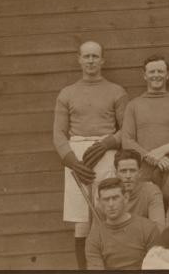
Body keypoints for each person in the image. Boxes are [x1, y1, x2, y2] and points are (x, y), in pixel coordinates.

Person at [52, 40, 128, 269]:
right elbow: (58, 133)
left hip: (105, 153)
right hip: (78, 157)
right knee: (82, 220)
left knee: (108, 210)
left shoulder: (117, 91)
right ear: (79, 59)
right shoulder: (67, 93)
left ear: (102, 60)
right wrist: (72, 161)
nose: (91, 60)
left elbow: (128, 130)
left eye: (95, 56)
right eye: (87, 56)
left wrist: (108, 143)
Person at [121, 54, 169, 205]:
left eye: (160, 71)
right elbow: (127, 141)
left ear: (168, 75)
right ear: (144, 76)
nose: (156, 75)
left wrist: (165, 150)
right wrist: (151, 156)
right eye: (152, 72)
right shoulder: (134, 105)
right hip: (146, 173)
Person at [85, 178, 160, 270]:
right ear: (100, 202)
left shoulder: (148, 228)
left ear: (125, 198)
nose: (111, 204)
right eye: (106, 199)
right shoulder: (94, 237)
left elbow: (156, 267)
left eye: (115, 198)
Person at [111, 149, 165, 230]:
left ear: (140, 173)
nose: (128, 176)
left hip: (144, 241)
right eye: (123, 171)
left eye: (132, 171)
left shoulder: (151, 191)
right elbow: (96, 233)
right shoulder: (108, 193)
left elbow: (158, 228)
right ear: (116, 174)